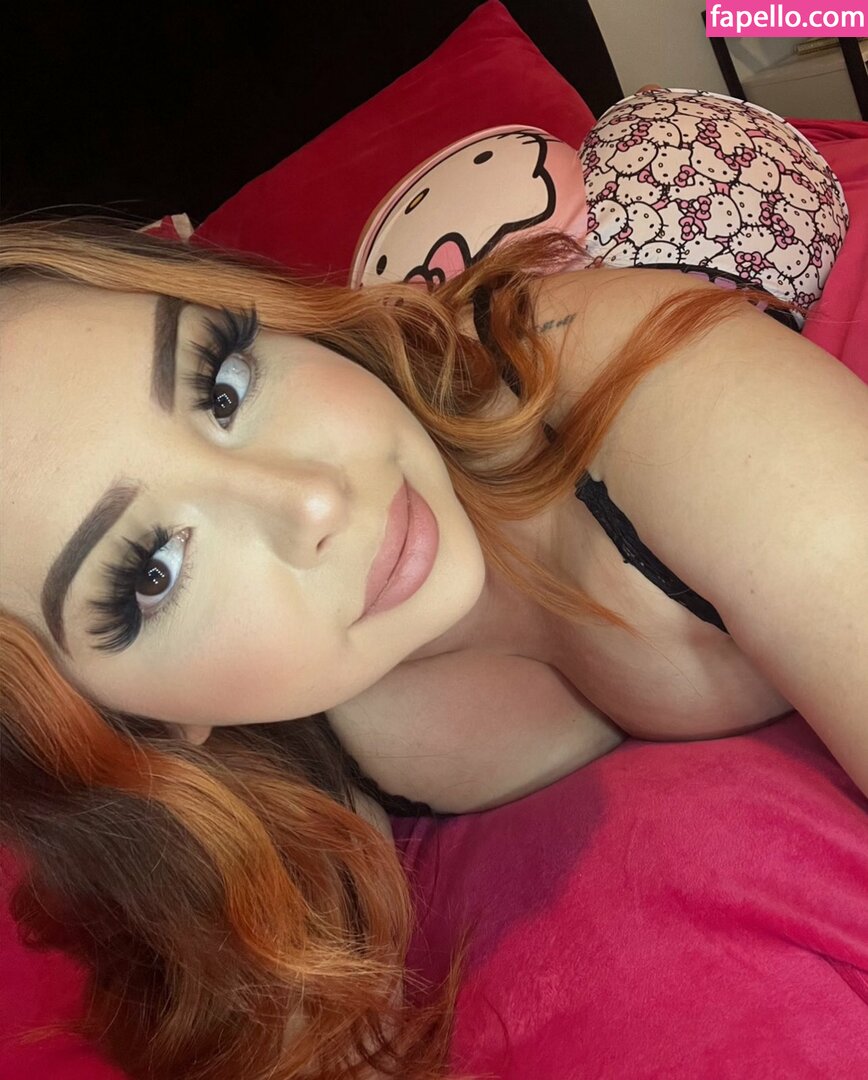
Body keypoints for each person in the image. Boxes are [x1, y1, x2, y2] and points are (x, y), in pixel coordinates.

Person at [1, 97, 866, 1078]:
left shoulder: (650, 390)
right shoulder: (264, 768)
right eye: (151, 570)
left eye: (222, 384)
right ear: (126, 722)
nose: (311, 500)